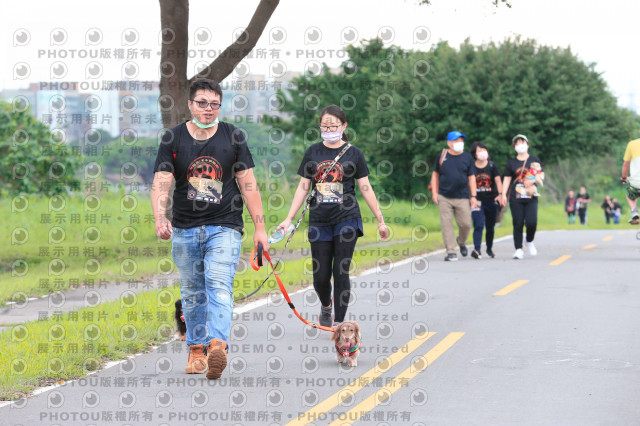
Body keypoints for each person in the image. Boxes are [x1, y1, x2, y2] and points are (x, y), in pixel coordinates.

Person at [151, 79, 269, 379]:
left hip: (225, 225)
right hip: (185, 228)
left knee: (218, 284)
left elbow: (248, 183)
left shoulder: (233, 136)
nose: (208, 109)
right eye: (202, 103)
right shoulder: (173, 138)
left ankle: (218, 345)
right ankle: (196, 349)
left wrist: (260, 229)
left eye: (214, 104)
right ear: (190, 105)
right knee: (192, 293)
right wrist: (159, 216)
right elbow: (162, 180)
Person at [276, 105, 388, 328]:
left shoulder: (354, 154)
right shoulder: (313, 152)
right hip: (319, 221)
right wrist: (289, 218)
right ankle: (326, 305)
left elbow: (365, 187)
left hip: (347, 218)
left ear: (344, 126)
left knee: (341, 271)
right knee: (320, 277)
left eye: (333, 126)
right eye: (325, 126)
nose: (329, 130)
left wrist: (380, 219)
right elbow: (303, 187)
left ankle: (339, 324)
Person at [430, 131, 478, 261]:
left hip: (462, 197)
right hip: (444, 196)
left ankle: (461, 241)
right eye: (456, 140)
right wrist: (434, 193)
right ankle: (451, 251)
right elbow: (435, 175)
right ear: (449, 143)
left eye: (461, 140)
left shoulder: (467, 157)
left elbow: (472, 178)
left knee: (466, 224)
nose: (459, 143)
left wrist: (474, 196)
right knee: (446, 224)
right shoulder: (442, 156)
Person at [501, 134, 544, 260]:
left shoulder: (534, 160)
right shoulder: (511, 162)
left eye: (522, 142)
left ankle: (529, 241)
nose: (520, 145)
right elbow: (507, 179)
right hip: (516, 197)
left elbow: (541, 175)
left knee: (531, 222)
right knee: (518, 222)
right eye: (517, 143)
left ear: (527, 145)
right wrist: (503, 194)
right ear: (514, 146)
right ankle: (518, 249)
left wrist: (533, 180)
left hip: (531, 196)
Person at [469, 141, 504, 259]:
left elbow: (498, 180)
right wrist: (472, 197)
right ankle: (477, 250)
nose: (483, 152)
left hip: (491, 200)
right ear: (474, 154)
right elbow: (469, 182)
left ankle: (489, 248)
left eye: (484, 150)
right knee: (478, 224)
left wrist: (500, 194)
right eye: (479, 150)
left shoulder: (492, 166)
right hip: (477, 201)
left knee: (490, 227)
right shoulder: (471, 167)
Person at [621, 135, 640, 224]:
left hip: (636, 183)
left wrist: (624, 178)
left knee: (629, 194)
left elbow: (626, 165)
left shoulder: (632, 144)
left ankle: (634, 210)